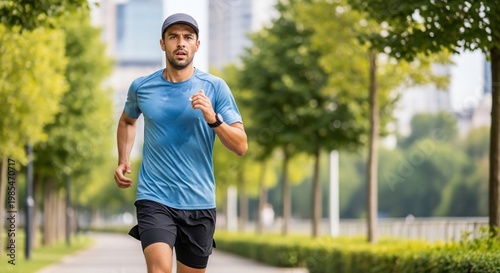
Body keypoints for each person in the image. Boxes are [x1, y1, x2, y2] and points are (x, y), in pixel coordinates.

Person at [113, 13, 248, 273]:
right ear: (162, 44)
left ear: (198, 44)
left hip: (199, 201)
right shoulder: (142, 87)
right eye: (173, 37)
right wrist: (123, 159)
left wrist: (214, 119)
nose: (181, 43)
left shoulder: (215, 87)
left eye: (188, 37)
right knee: (159, 269)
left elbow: (241, 145)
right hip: (154, 197)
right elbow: (128, 121)